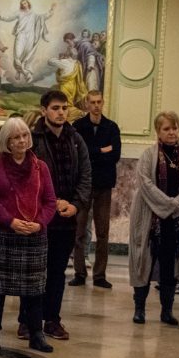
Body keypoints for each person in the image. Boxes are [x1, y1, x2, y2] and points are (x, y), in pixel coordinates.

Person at [0, 117, 57, 354]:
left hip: (33, 235)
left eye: (24, 135)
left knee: (34, 291)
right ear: (7, 142)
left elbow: (50, 201)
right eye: (15, 137)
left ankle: (36, 334)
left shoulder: (40, 167)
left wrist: (39, 224)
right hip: (2, 234)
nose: (22, 140)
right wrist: (11, 222)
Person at [23, 90, 91, 341]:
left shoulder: (76, 139)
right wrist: (50, 203)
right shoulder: (33, 139)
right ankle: (27, 320)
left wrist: (75, 205)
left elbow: (86, 175)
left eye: (64, 108)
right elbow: (27, 176)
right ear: (44, 111)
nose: (61, 112)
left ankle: (52, 319)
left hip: (66, 217)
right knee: (33, 270)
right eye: (55, 108)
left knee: (57, 271)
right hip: (39, 216)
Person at [128, 111, 179, 326]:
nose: (171, 132)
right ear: (158, 132)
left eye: (174, 128)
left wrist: (176, 204)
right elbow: (145, 183)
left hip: (176, 220)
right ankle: (139, 308)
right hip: (150, 218)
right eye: (166, 129)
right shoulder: (149, 155)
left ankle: (167, 310)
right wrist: (167, 205)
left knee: (170, 265)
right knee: (144, 263)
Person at [71, 90, 121, 288]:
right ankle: (79, 273)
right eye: (92, 102)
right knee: (79, 230)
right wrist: (101, 150)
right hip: (83, 184)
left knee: (103, 232)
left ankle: (99, 275)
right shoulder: (78, 126)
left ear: (103, 103)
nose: (96, 106)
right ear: (87, 104)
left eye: (99, 102)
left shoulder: (111, 127)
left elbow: (115, 154)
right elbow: (77, 154)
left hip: (104, 184)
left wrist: (91, 153)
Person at [0, 0, 56, 83]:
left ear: (28, 4)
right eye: (22, 4)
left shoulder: (34, 14)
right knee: (17, 55)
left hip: (30, 36)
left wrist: (51, 9)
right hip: (21, 35)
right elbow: (9, 18)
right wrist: (0, 15)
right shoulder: (19, 13)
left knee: (27, 55)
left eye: (25, 3)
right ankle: (27, 74)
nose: (23, 5)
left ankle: (19, 71)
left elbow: (44, 17)